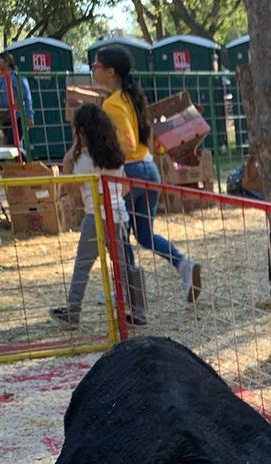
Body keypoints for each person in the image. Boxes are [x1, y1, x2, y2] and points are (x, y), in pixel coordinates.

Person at [91, 45, 202, 303]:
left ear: (110, 71)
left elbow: (127, 143)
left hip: (129, 173)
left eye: (96, 66)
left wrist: (106, 158)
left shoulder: (112, 104)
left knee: (118, 235)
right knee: (144, 234)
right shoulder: (132, 97)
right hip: (149, 170)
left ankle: (126, 289)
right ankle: (183, 264)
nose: (93, 70)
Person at [50, 104, 146, 329]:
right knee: (125, 265)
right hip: (119, 215)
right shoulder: (115, 156)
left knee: (82, 265)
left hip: (96, 216)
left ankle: (73, 312)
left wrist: (71, 154)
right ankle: (138, 311)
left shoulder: (84, 159)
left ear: (83, 132)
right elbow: (125, 188)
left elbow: (70, 186)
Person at [0, 52, 34, 160]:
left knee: (12, 145)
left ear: (7, 62)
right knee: (13, 146)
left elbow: (26, 96)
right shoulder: (0, 79)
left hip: (18, 117)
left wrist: (29, 115)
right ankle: (21, 166)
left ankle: (25, 165)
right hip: (5, 118)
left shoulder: (16, 77)